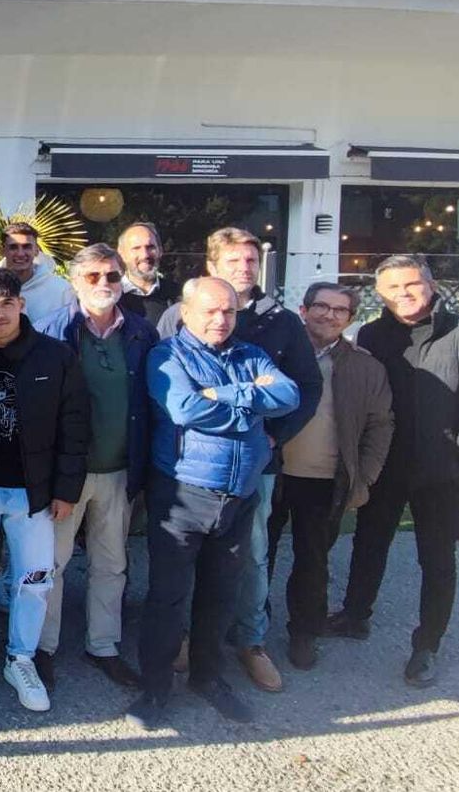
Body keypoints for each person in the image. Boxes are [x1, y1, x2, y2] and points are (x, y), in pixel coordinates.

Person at [332, 256, 459, 686]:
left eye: (412, 284)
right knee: (368, 543)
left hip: (443, 471)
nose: (404, 294)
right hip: (386, 465)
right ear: (380, 294)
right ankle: (355, 616)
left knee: (436, 559)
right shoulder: (372, 336)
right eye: (393, 288)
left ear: (431, 284)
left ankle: (427, 643)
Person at [126, 277, 299, 730]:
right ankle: (155, 690)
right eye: (210, 311)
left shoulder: (250, 354)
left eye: (228, 311)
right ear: (186, 313)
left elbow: (288, 395)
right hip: (184, 493)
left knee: (219, 596)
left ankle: (208, 677)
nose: (220, 319)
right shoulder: (168, 356)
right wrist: (252, 401)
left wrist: (225, 394)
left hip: (240, 495)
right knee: (168, 598)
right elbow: (184, 409)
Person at [158, 227, 322, 694]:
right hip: (192, 466)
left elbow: (303, 389)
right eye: (234, 262)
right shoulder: (178, 315)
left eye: (251, 261)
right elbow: (173, 393)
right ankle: (186, 637)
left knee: (251, 555)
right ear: (212, 267)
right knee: (185, 557)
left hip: (256, 462)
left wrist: (274, 435)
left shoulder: (281, 322)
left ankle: (251, 642)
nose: (244, 269)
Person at [0, 268, 88, 713]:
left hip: (34, 491)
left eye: (7, 303)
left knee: (35, 579)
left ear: (22, 304)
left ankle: (20, 657)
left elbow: (75, 424)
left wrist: (65, 488)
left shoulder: (55, 356)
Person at [35, 244, 158, 689]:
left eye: (111, 276)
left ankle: (103, 646)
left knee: (112, 563)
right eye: (93, 277)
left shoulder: (142, 334)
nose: (104, 285)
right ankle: (42, 648)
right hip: (67, 474)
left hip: (121, 470)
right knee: (51, 563)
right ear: (74, 281)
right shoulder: (51, 332)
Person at [270, 282, 392, 671]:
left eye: (340, 310)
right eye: (320, 306)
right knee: (256, 556)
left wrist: (365, 477)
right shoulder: (278, 353)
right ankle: (244, 631)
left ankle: (304, 632)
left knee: (313, 561)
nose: (329, 315)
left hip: (325, 480)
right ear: (303, 311)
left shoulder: (365, 366)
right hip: (271, 472)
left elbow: (380, 425)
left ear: (351, 319)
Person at [0, 222, 75, 326]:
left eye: (27, 247)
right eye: (13, 247)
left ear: (36, 250)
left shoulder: (61, 290)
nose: (20, 254)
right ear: (2, 251)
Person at [117, 222, 180, 325]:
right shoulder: (112, 299)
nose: (145, 255)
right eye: (136, 248)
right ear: (122, 254)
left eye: (150, 247)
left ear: (160, 250)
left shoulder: (178, 295)